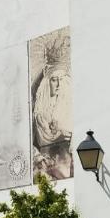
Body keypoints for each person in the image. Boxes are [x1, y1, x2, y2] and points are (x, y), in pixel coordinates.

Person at [32, 43, 72, 179]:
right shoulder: (40, 113)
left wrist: (63, 129)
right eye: (54, 80)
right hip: (49, 166)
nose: (59, 85)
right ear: (47, 82)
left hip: (66, 165)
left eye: (61, 80)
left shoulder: (67, 105)